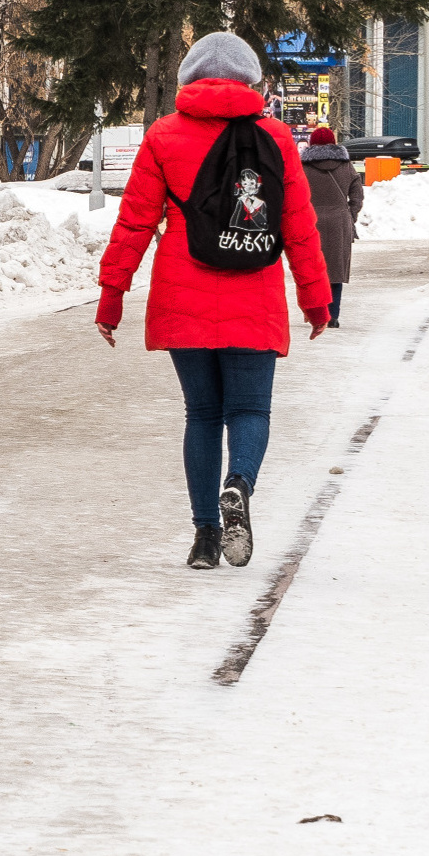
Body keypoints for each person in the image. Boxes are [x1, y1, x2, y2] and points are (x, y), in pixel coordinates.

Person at [96, 32, 334, 571]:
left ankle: (205, 536)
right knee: (249, 410)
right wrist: (317, 299)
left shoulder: (163, 136)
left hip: (183, 293)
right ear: (250, 80)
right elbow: (299, 226)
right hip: (256, 292)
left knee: (202, 414)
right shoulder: (274, 139)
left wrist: (112, 296)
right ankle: (239, 483)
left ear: (189, 79)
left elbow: (134, 221)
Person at [300, 125, 364, 317]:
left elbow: (293, 194)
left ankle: (316, 314)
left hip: (311, 222)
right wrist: (350, 214)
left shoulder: (303, 167)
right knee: (335, 271)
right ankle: (333, 316)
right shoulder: (346, 166)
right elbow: (357, 195)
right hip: (339, 222)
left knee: (312, 270)